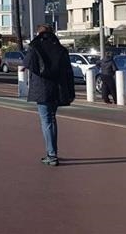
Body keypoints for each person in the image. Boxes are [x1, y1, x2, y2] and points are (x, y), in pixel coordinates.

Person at [25, 24, 75, 167]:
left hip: (42, 88)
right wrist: (70, 91)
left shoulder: (35, 47)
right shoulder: (61, 49)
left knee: (46, 120)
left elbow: (27, 63)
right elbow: (68, 72)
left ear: (38, 34)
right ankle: (52, 152)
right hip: (57, 88)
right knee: (52, 119)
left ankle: (51, 154)